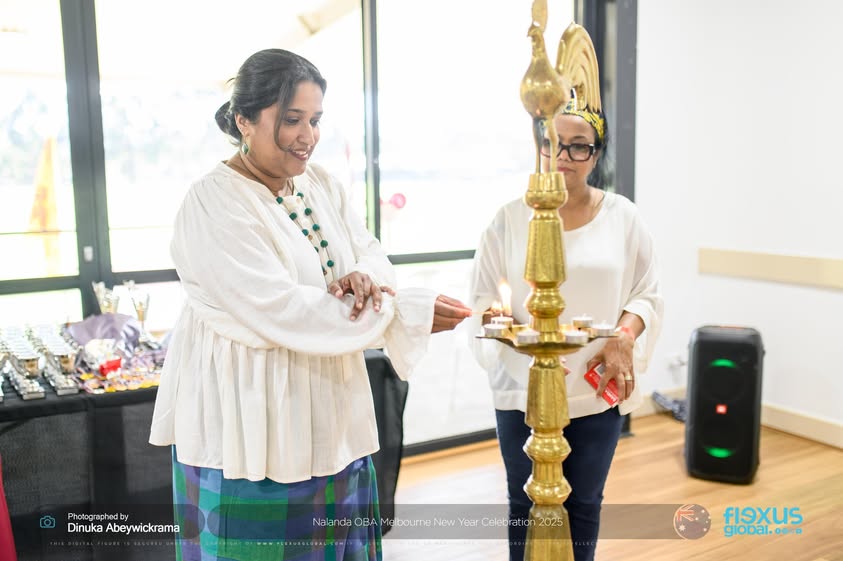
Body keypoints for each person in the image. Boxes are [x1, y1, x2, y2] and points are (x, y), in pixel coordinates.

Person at [149, 48, 472, 561]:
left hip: (331, 413)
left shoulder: (320, 184)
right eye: (292, 120)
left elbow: (371, 254)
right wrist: (396, 314)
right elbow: (279, 308)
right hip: (254, 421)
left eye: (316, 120)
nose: (308, 136)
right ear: (244, 121)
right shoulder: (213, 202)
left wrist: (364, 278)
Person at [468, 100, 663, 561]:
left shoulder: (623, 217)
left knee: (583, 502)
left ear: (596, 156)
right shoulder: (509, 219)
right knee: (526, 502)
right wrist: (496, 320)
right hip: (525, 386)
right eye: (553, 144)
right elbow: (481, 297)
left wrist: (624, 336)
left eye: (579, 148)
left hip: (595, 386)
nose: (563, 158)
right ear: (538, 146)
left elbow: (647, 294)